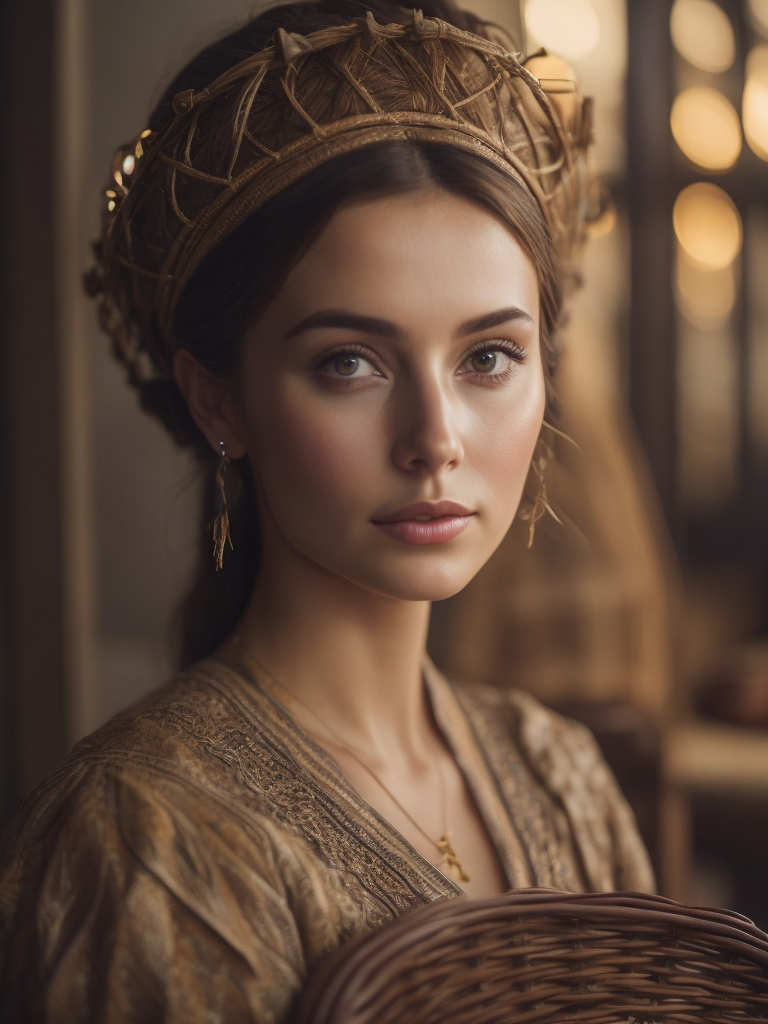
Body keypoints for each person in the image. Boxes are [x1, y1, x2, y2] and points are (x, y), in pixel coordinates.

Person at [0, 1, 654, 1020]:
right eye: (349, 362)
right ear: (220, 399)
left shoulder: (562, 774)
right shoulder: (145, 837)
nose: (434, 436)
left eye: (489, 357)